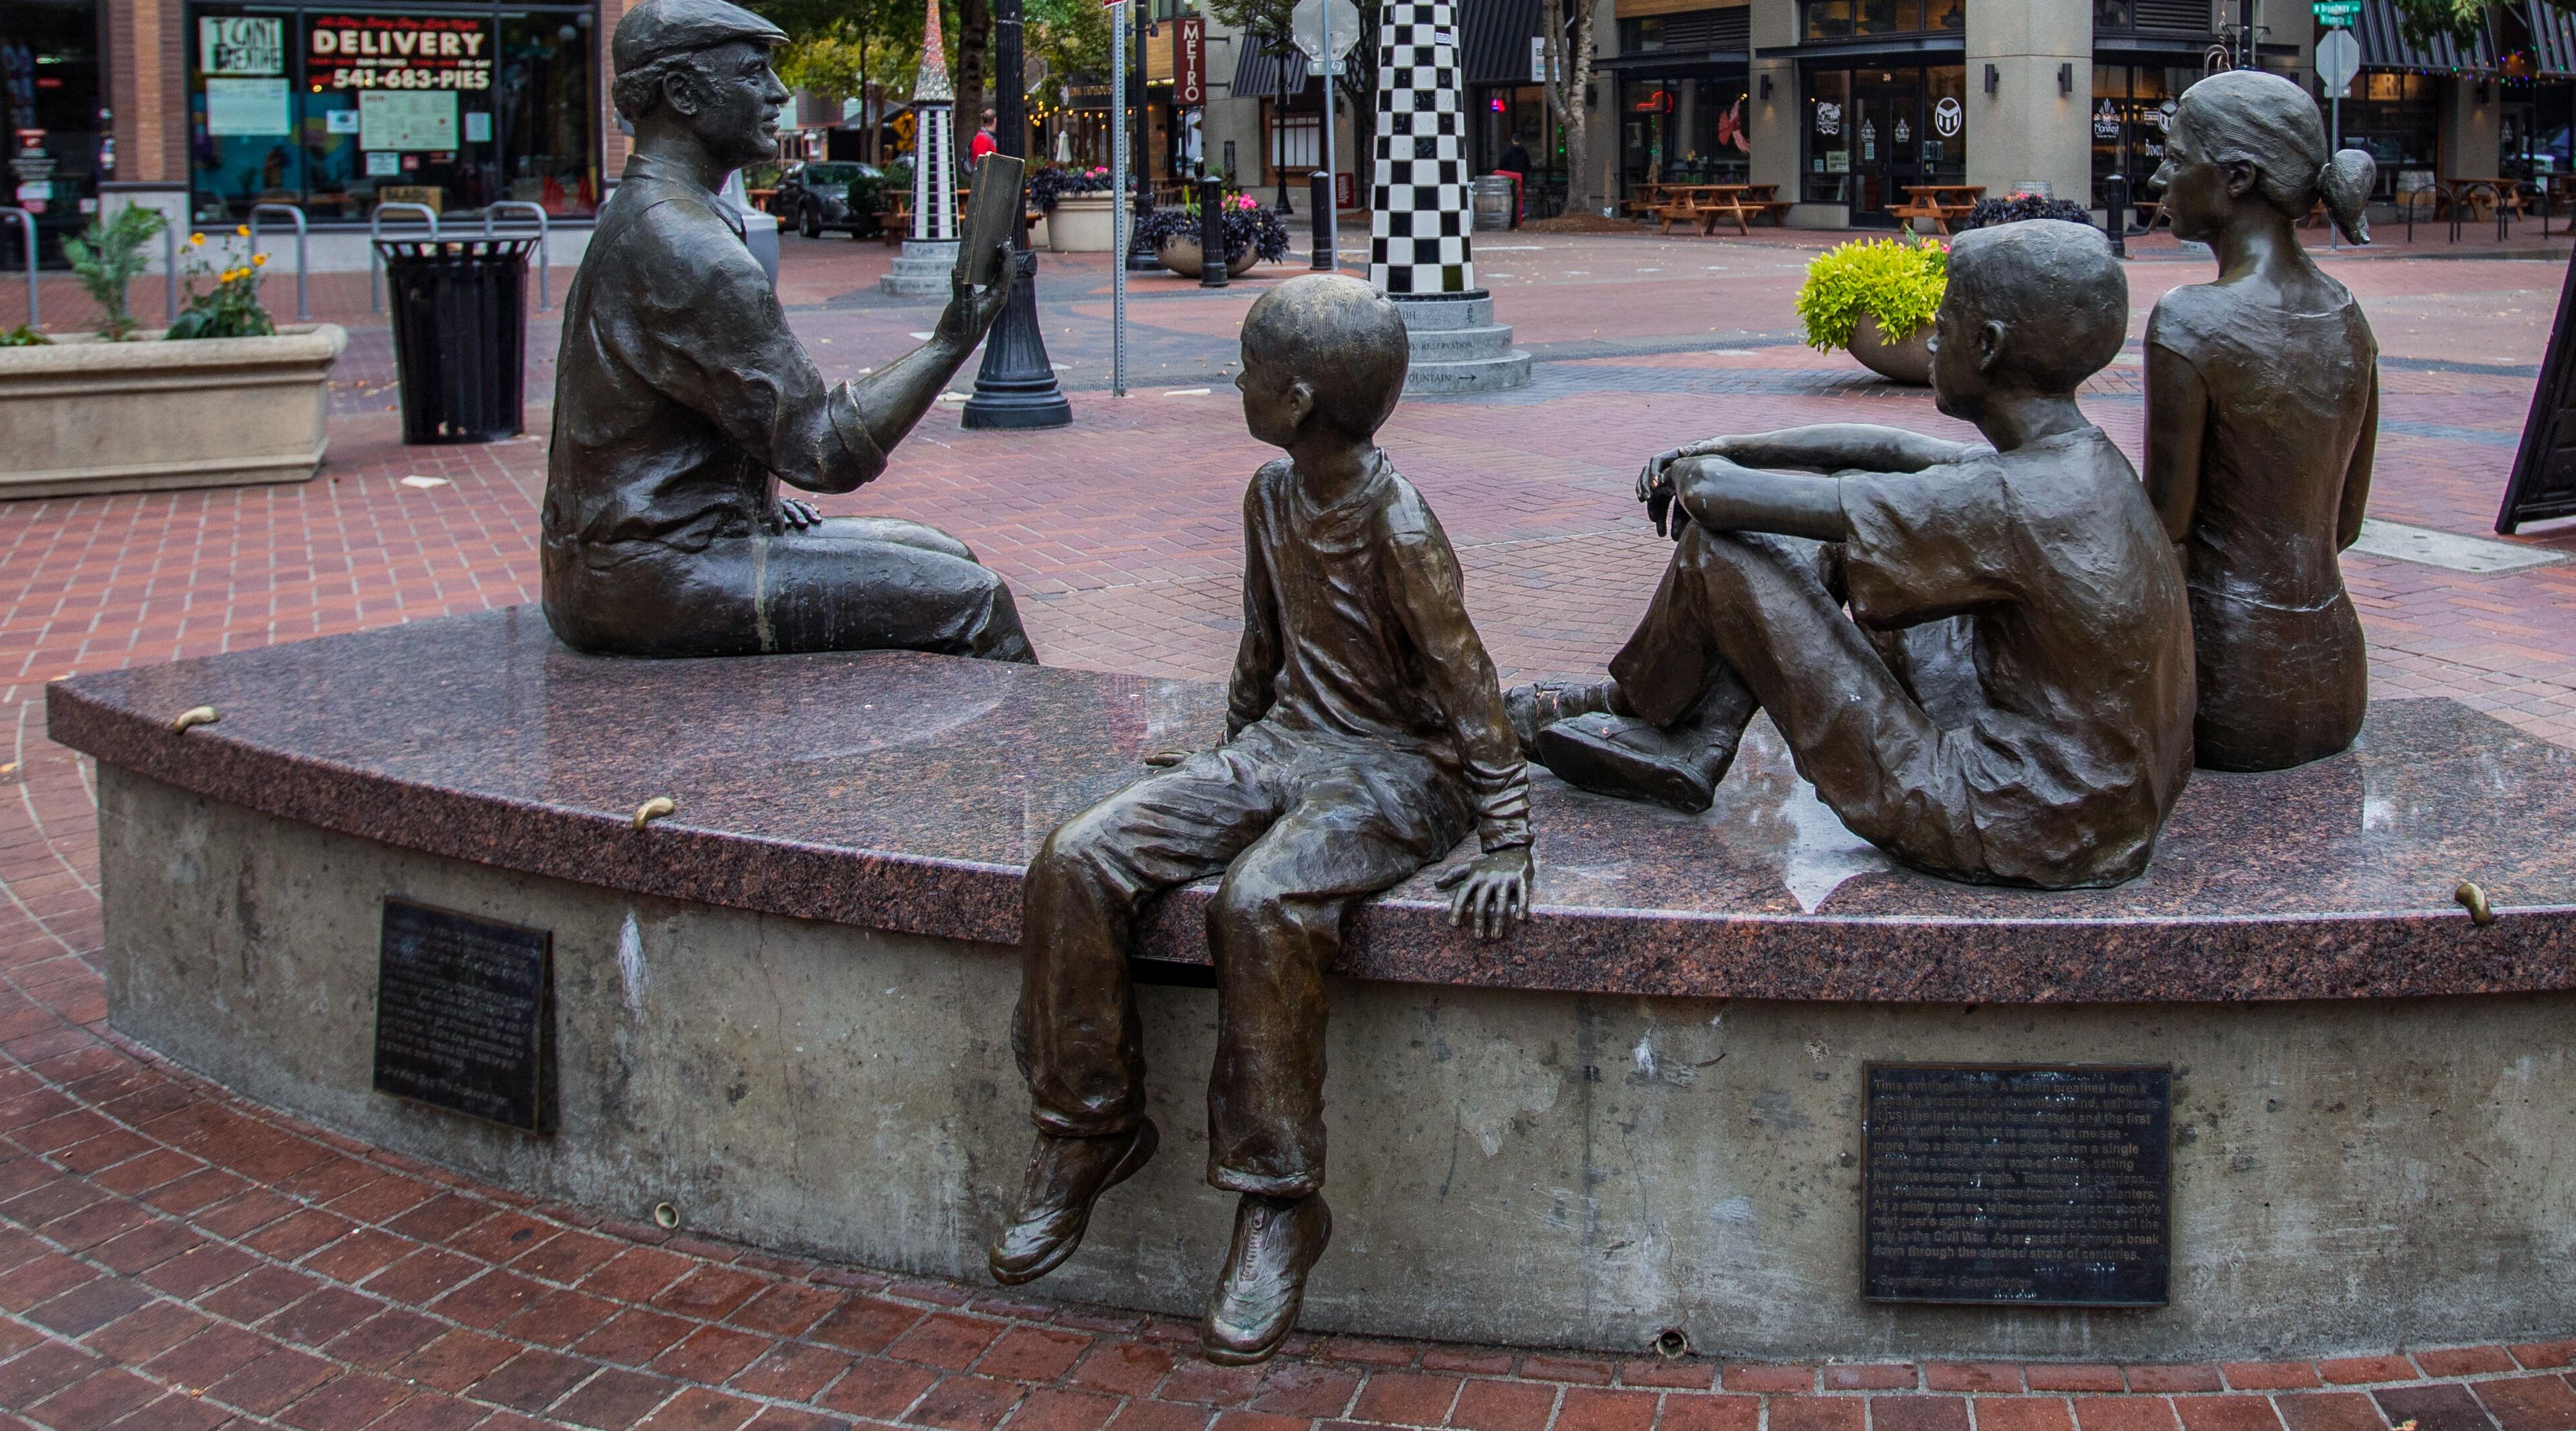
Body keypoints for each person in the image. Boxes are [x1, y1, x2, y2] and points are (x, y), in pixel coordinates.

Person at [994, 276, 1532, 1361]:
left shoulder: (1398, 518)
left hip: (1393, 772)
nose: (1230, 382)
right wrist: (1213, 773)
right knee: (1079, 857)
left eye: (1244, 369)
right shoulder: (1270, 497)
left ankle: (1281, 1204)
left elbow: (1468, 678)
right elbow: (1260, 651)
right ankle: (1090, 1124)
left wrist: (1507, 825)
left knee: (1264, 901)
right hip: (1278, 749)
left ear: (1294, 400)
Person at [1518, 220, 2193, 890]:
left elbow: (1718, 501)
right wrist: (1735, 443)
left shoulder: (2008, 499)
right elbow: (1886, 451)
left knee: (1720, 549)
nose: (1930, 333)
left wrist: (1696, 472)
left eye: (1945, 317)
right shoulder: (2077, 461)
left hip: (2007, 817)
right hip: (2096, 805)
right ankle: (1686, 733)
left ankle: (1651, 719)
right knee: (1834, 520)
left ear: (1985, 346)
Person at [538, 0, 1030, 660]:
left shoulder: (655, 214)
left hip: (633, 555)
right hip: (650, 573)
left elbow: (709, 413)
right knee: (976, 599)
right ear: (682, 93)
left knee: (944, 554)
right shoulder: (687, 248)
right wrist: (953, 338)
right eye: (751, 73)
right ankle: (1036, 767)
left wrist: (753, 497)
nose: (776, 92)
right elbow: (822, 451)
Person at [2143, 73, 2380, 771]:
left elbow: (2162, 531)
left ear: (2236, 177)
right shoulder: (2347, 316)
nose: (2159, 172)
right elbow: (2343, 525)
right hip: (2337, 675)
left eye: (2174, 154)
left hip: (2228, 686)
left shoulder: (2190, 321)